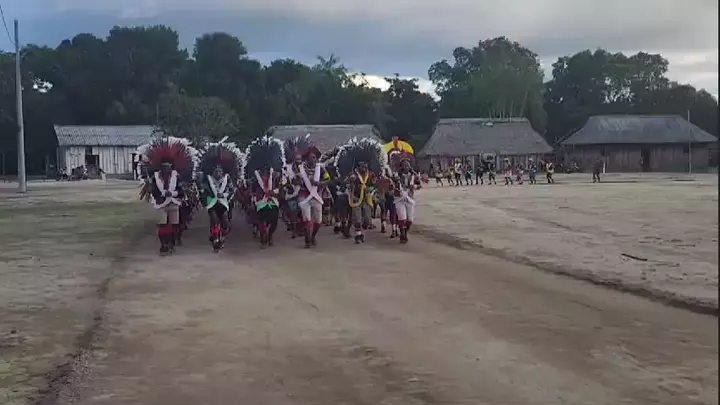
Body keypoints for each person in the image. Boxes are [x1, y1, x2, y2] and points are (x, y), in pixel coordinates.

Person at [137, 137, 199, 255]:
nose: (166, 168)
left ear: (171, 167)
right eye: (164, 166)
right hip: (161, 203)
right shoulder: (155, 177)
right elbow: (154, 191)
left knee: (174, 226)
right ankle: (163, 245)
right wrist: (156, 192)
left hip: (174, 203)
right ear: (161, 167)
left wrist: (173, 193)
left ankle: (171, 243)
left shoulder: (177, 176)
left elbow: (181, 191)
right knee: (162, 225)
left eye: (168, 166)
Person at [199, 142, 242, 252]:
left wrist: (225, 195)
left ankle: (220, 235)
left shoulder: (227, 179)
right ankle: (216, 239)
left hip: (223, 202)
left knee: (225, 221)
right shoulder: (208, 179)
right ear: (213, 171)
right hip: (212, 203)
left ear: (223, 172)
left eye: (220, 171)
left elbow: (231, 190)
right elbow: (203, 190)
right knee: (214, 220)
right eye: (216, 171)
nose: (218, 173)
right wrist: (205, 195)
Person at [245, 136, 284, 247]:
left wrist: (276, 193)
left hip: (273, 201)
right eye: (263, 165)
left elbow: (281, 187)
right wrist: (251, 200)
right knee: (261, 221)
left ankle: (270, 235)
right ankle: (263, 238)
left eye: (267, 165)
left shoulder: (275, 175)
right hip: (260, 201)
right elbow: (251, 189)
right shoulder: (255, 176)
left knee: (274, 222)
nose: (265, 168)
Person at [297, 145, 330, 248]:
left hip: (316, 196)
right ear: (307, 158)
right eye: (311, 157)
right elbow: (295, 181)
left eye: (315, 157)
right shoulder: (301, 168)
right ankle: (307, 240)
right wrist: (298, 179)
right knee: (307, 219)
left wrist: (320, 183)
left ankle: (313, 236)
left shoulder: (321, 168)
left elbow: (328, 179)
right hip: (304, 195)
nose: (314, 159)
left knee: (318, 221)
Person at [389, 151, 420, 244]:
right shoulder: (396, 175)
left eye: (408, 165)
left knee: (410, 220)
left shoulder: (414, 176)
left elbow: (419, 185)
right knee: (402, 217)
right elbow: (390, 186)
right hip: (399, 199)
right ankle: (402, 234)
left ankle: (405, 232)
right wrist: (395, 186)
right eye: (405, 165)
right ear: (401, 167)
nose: (407, 167)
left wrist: (414, 186)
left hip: (410, 199)